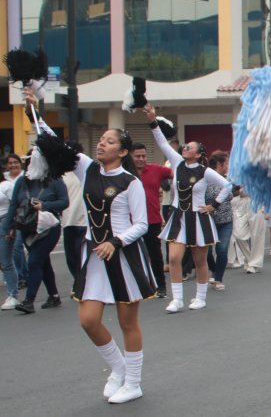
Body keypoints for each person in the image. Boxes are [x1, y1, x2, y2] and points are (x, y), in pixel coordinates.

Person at [24, 89, 155, 404]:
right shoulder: (88, 168)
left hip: (124, 256)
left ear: (122, 151)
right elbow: (53, 141)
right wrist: (33, 109)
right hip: (94, 255)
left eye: (110, 141)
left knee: (127, 322)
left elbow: (142, 223)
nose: (102, 143)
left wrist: (116, 241)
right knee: (88, 320)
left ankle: (134, 383)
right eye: (102, 140)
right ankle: (119, 368)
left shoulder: (130, 182)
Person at [146, 105, 230, 312]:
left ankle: (200, 298)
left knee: (199, 259)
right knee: (174, 258)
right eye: (184, 145)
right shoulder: (176, 163)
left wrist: (213, 206)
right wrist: (152, 121)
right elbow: (162, 143)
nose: (185, 147)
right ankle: (177, 299)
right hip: (178, 216)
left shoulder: (205, 171)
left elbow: (227, 186)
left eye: (189, 147)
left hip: (198, 218)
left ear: (199, 153)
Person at [2, 162, 68, 313]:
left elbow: (64, 202)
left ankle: (28, 301)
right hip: (27, 227)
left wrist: (44, 205)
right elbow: (13, 206)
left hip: (48, 227)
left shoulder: (55, 180)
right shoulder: (22, 180)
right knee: (43, 262)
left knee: (34, 261)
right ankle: (54, 295)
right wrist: (8, 227)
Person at [130, 143, 171, 298]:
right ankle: (137, 286)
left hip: (152, 220)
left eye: (144, 156)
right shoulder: (125, 172)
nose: (141, 159)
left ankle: (161, 286)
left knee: (155, 254)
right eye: (137, 156)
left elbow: (179, 174)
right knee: (133, 255)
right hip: (130, 222)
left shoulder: (156, 169)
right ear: (130, 156)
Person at [205, 152, 235, 291]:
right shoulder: (206, 179)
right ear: (219, 164)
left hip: (226, 220)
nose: (228, 166)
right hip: (209, 220)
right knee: (207, 251)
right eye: (226, 163)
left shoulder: (228, 180)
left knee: (222, 250)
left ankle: (218, 278)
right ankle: (213, 269)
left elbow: (232, 194)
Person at [1, 153, 25, 309]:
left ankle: (13, 295)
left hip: (5, 222)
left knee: (5, 261)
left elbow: (15, 206)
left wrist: (11, 227)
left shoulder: (6, 186)